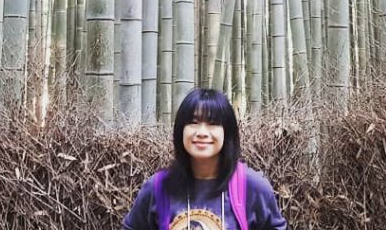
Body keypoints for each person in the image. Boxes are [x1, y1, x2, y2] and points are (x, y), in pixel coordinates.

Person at [123, 88, 288, 230]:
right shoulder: (157, 187)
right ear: (181, 131)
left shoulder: (253, 187)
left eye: (212, 123)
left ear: (227, 132)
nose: (202, 132)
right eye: (193, 122)